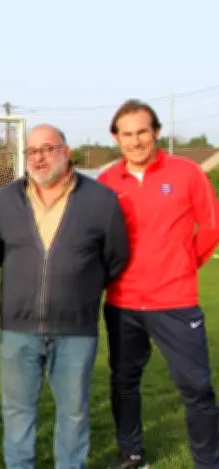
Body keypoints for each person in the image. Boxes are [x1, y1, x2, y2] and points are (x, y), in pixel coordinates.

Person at [0, 124, 129, 469]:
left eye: (48, 148)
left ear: (66, 151)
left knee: (74, 412)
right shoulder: (5, 200)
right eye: (32, 151)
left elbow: (116, 257)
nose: (39, 157)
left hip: (75, 328)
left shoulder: (101, 199)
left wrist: (79, 287)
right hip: (17, 328)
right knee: (18, 412)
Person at [98, 99, 219, 469]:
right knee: (124, 382)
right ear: (116, 138)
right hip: (123, 303)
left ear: (157, 133)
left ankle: (208, 461)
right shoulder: (105, 183)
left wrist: (183, 265)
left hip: (175, 302)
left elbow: (211, 226)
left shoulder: (186, 173)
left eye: (142, 132)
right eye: (127, 134)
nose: (135, 141)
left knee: (196, 387)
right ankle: (132, 455)